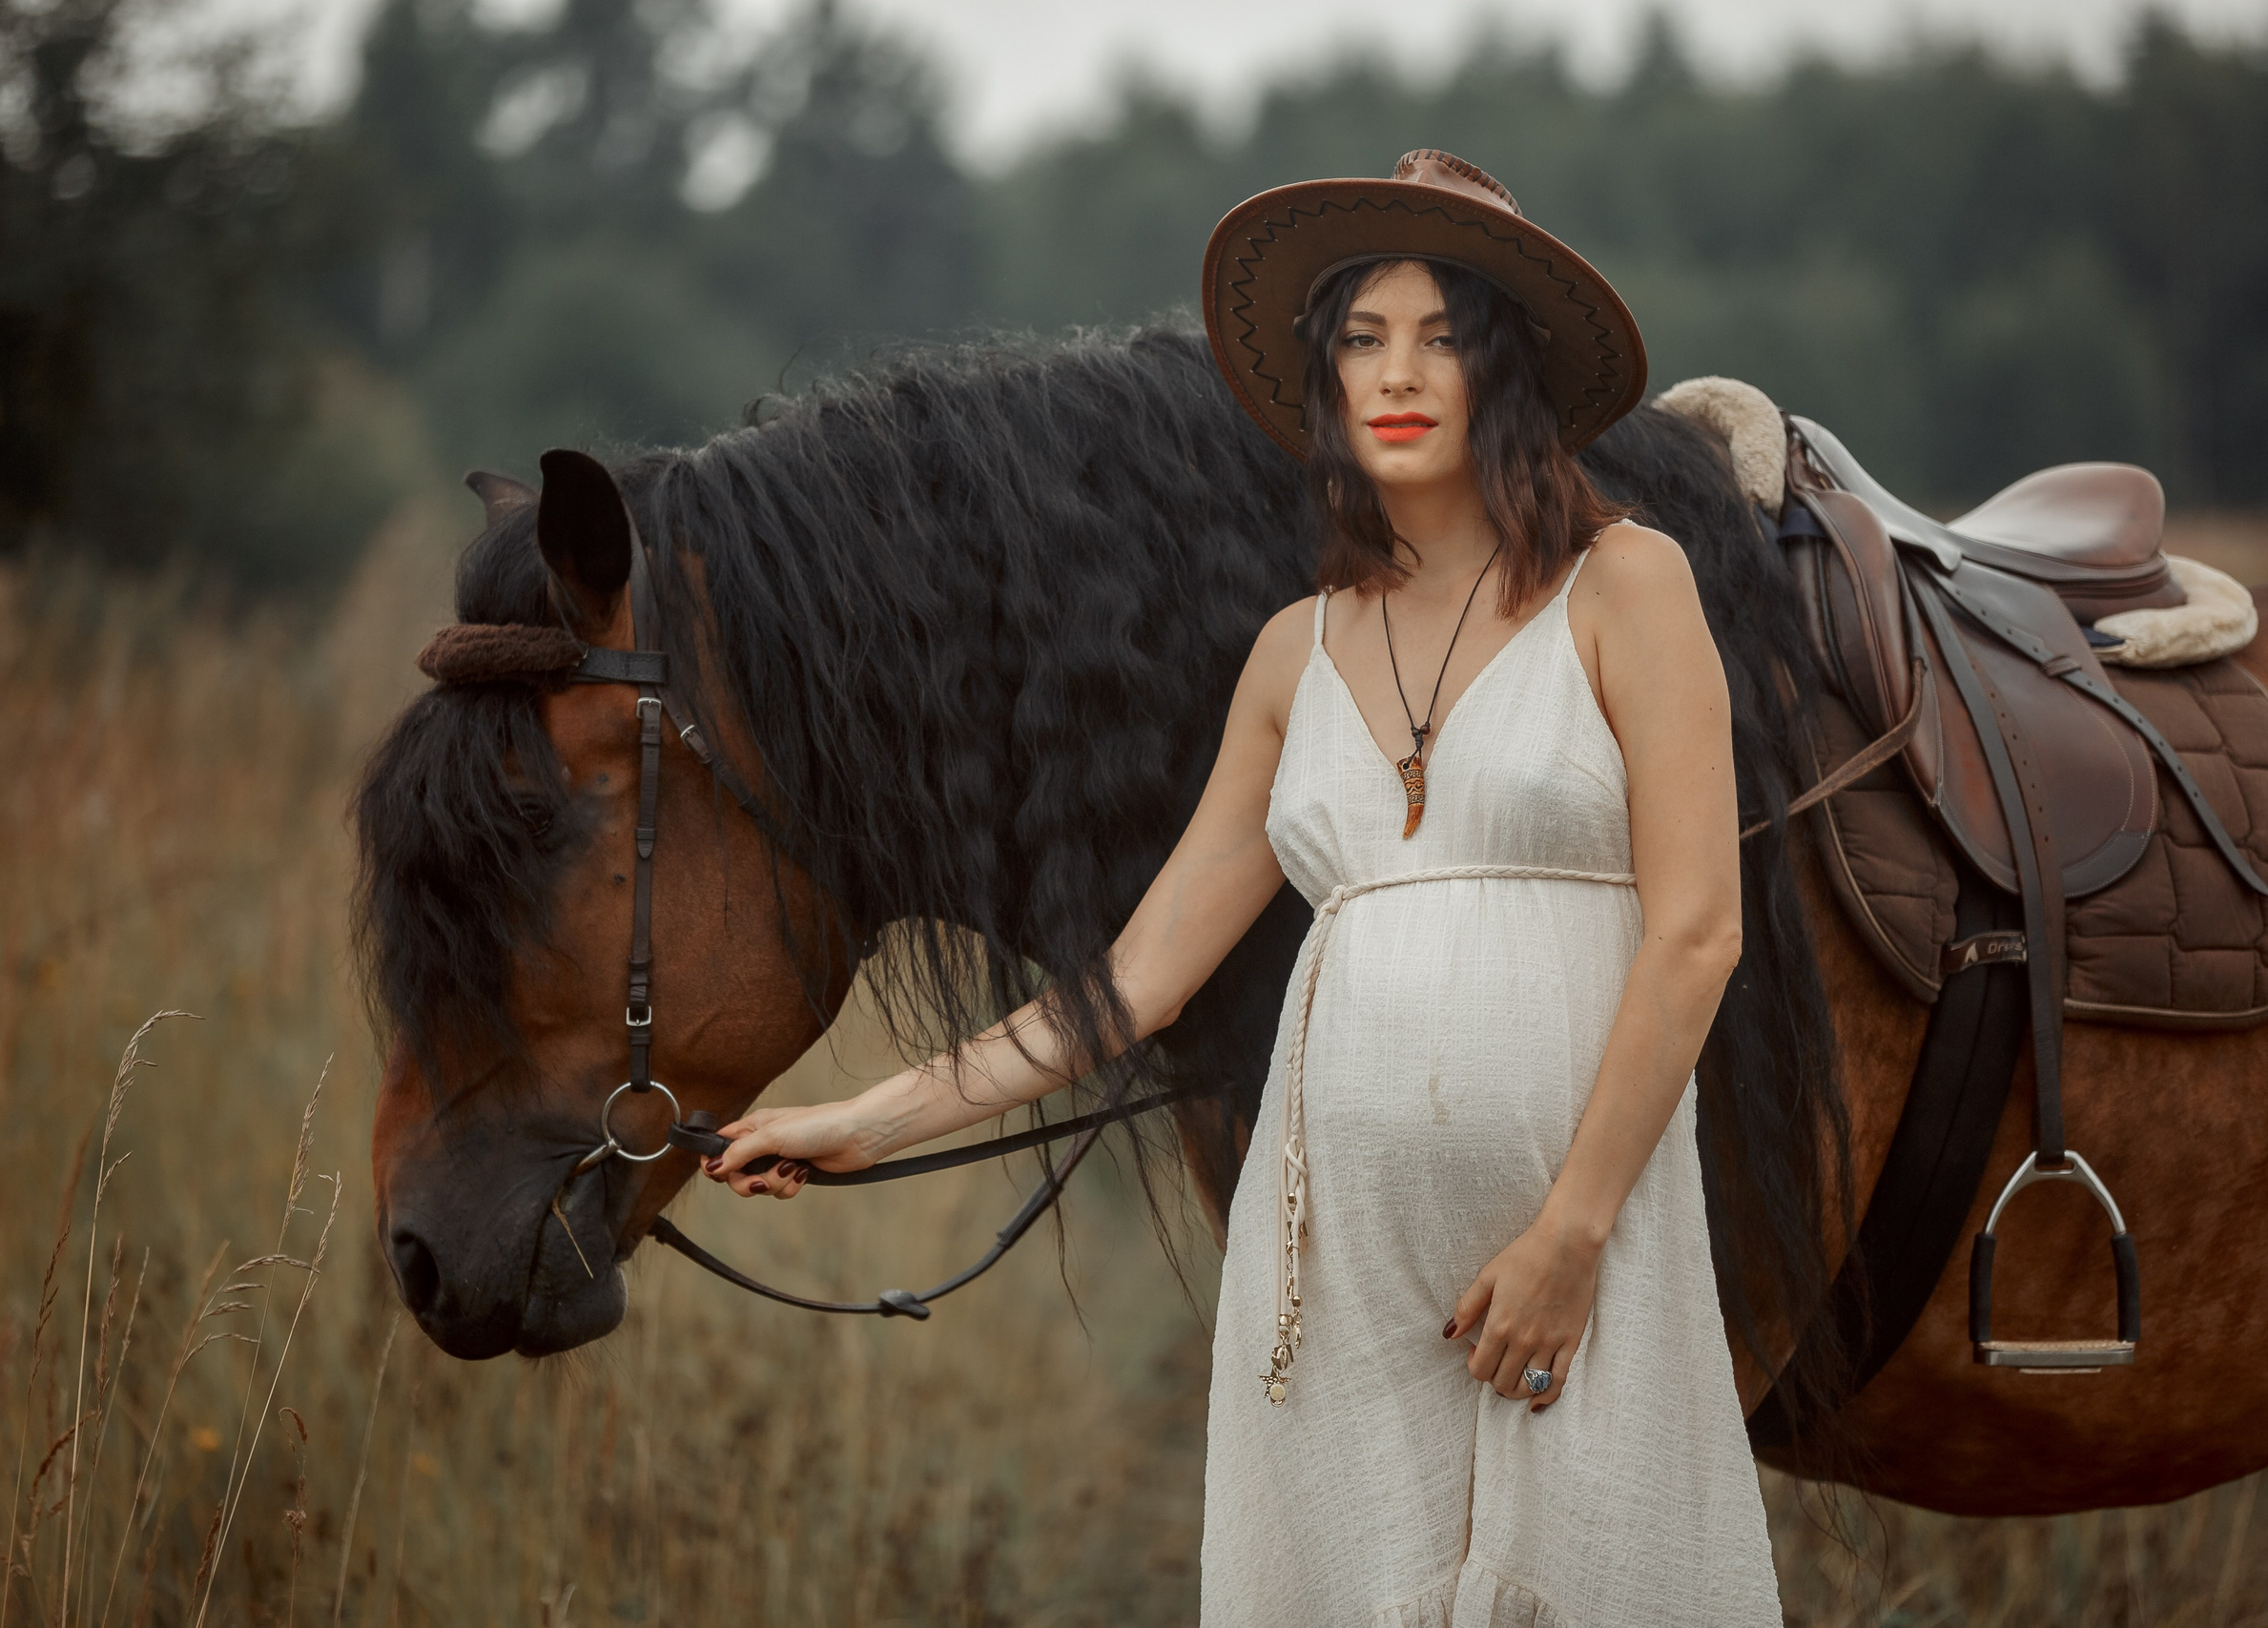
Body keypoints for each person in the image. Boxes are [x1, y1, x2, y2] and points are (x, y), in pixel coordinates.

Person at [705, 150, 1782, 1624]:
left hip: (1568, 1252)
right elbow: (1134, 982)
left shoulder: (1626, 588)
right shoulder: (1295, 654)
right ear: (1325, 381)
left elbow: (1697, 934)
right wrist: (864, 1120)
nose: (1397, 375)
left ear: (1505, 371)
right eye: (1361, 339)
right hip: (1333, 1272)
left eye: (1442, 337)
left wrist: (1572, 1234)